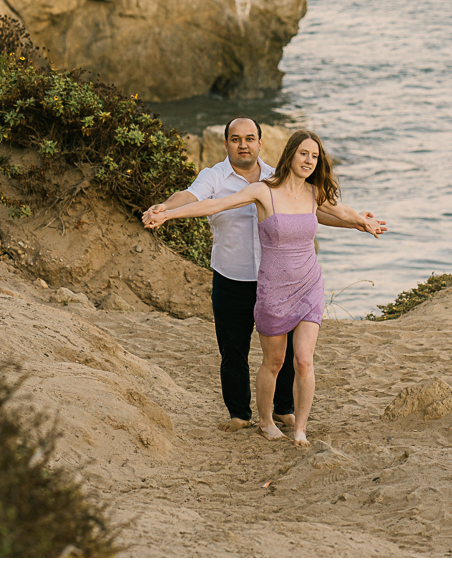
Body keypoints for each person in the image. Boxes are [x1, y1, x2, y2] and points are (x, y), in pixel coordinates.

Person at [143, 124, 386, 446]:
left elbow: (331, 209)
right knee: (249, 354)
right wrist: (167, 213)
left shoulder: (304, 185)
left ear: (260, 143)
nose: (309, 160)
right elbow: (209, 203)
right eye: (304, 154)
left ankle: (294, 420)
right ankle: (246, 416)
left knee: (299, 359)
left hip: (300, 281)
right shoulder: (249, 185)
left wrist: (359, 221)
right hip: (243, 278)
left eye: (314, 156)